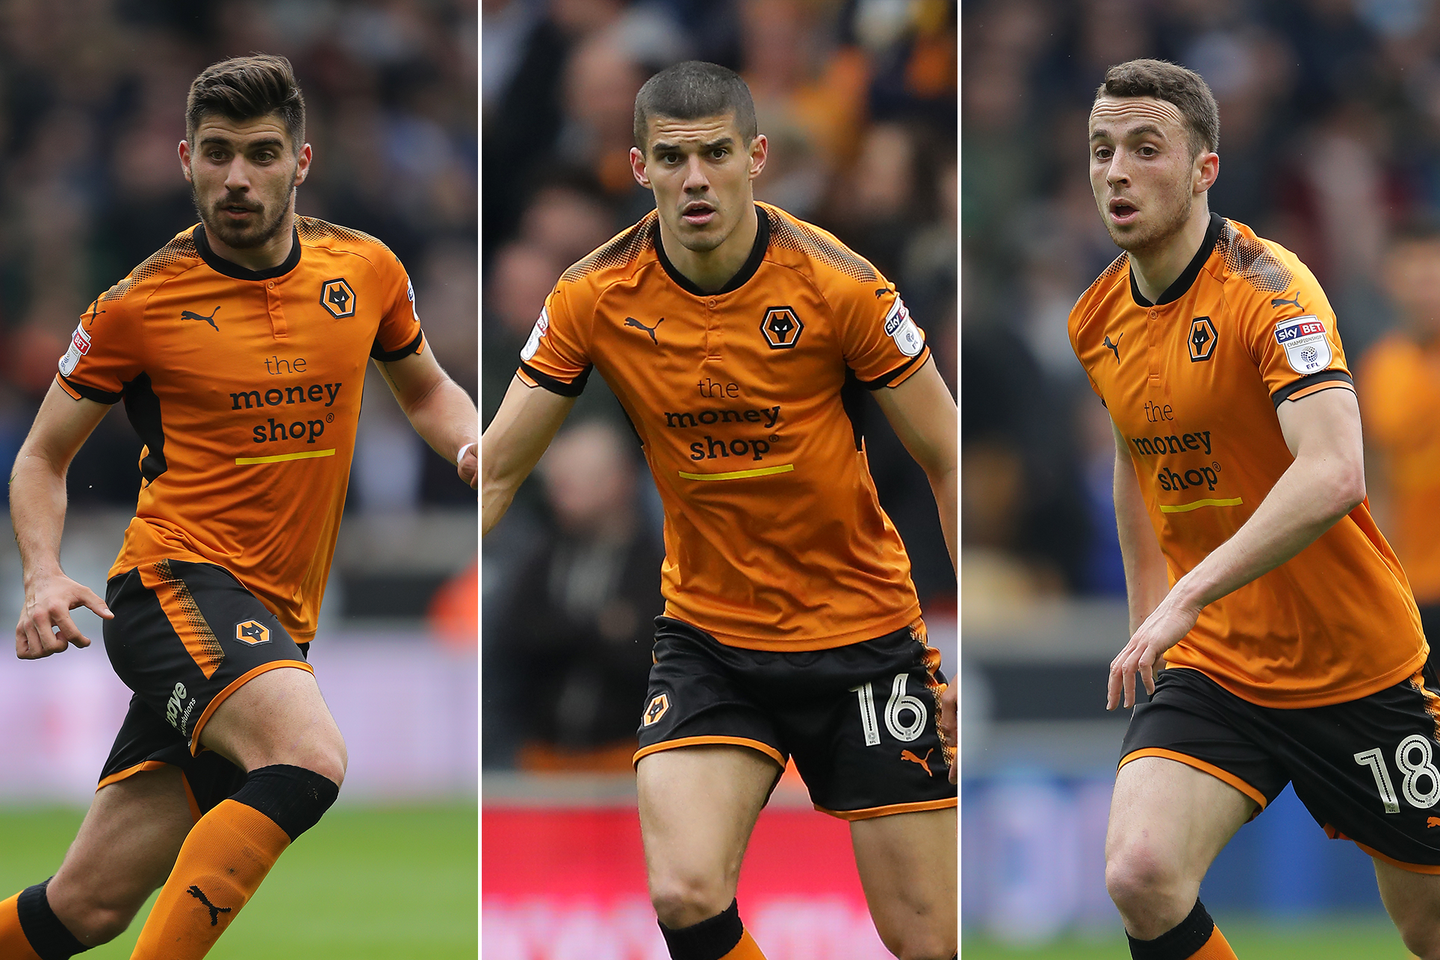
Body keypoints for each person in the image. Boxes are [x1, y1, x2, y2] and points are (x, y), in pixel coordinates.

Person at [0, 55, 478, 960]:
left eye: (261, 154)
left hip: (271, 625)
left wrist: (470, 441)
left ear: (301, 160)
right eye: (217, 153)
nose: (236, 177)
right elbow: (40, 458)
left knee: (81, 909)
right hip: (171, 586)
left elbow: (424, 391)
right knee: (306, 757)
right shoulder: (136, 305)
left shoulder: (366, 271)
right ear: (186, 157)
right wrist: (40, 573)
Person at [482, 61, 957, 960]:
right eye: (673, 158)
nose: (695, 178)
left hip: (862, 637)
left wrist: (963, 642)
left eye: (715, 155)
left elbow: (946, 452)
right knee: (686, 890)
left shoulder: (841, 285)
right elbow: (502, 466)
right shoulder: (592, 295)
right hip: (710, 637)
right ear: (639, 167)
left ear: (757, 157)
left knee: (927, 941)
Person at [1071, 59, 1440, 960]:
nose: (1117, 170)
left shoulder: (1269, 289)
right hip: (1220, 667)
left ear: (1205, 169)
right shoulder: (1095, 318)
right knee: (1140, 873)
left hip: (1354, 664)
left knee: (1428, 930)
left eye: (1146, 149)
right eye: (1102, 149)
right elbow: (1134, 456)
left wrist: (1186, 592)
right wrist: (1148, 615)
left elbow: (1335, 472)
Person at [1358, 229, 1440, 670]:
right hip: (1410, 589)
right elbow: (1377, 482)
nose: (1425, 287)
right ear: (1391, 279)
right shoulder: (1379, 369)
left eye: (1433, 272)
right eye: (1413, 273)